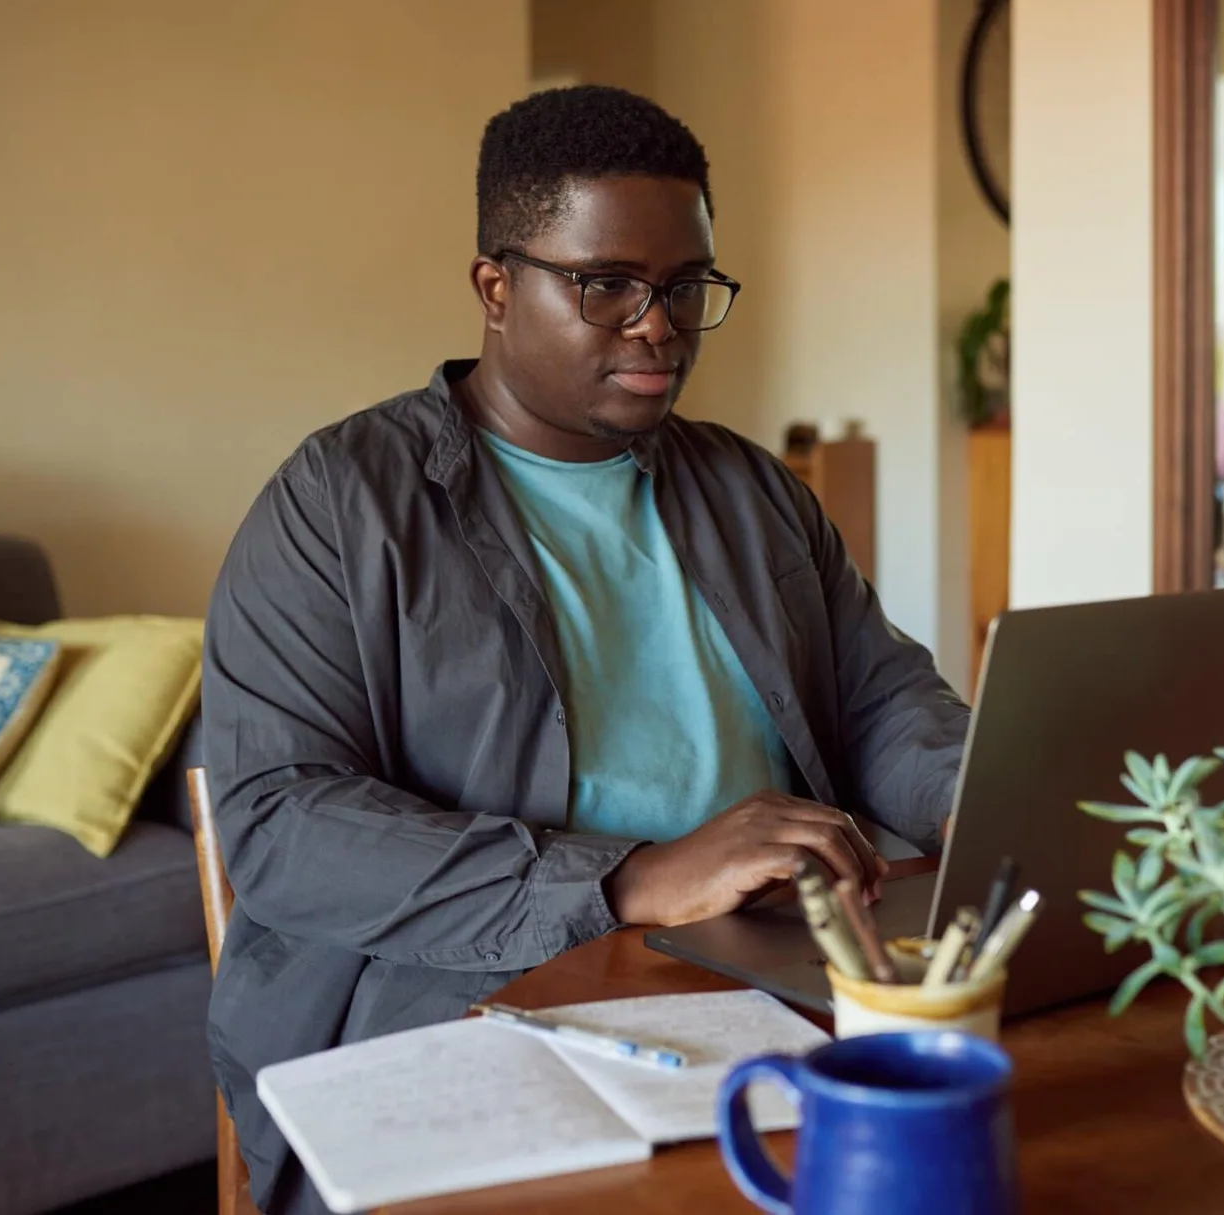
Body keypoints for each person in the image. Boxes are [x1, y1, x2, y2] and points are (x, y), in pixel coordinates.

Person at [202, 85, 968, 1214]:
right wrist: (629, 876)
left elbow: (880, 697)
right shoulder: (340, 500)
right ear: (495, 286)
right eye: (604, 283)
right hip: (471, 987)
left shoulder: (748, 486)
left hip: (769, 957)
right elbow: (279, 820)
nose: (656, 323)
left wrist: (985, 795)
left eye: (684, 286)